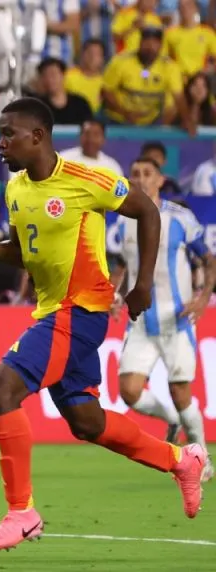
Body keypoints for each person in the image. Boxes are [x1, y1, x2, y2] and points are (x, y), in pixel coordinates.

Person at [0, 97, 207, 553]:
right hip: (51, 309)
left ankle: (22, 511)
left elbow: (148, 212)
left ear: (36, 136)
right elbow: (24, 251)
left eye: (7, 134)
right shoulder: (15, 189)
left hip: (83, 310)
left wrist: (141, 287)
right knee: (86, 421)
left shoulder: (85, 180)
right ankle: (181, 459)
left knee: (1, 390)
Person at [111, 157, 214, 482]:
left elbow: (209, 259)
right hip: (140, 321)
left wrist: (202, 297)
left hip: (177, 320)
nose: (140, 178)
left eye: (147, 174)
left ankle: (202, 458)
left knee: (180, 389)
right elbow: (120, 267)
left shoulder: (180, 218)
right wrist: (113, 295)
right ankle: (172, 419)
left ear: (160, 180)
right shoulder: (123, 219)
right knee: (128, 391)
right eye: (135, 173)